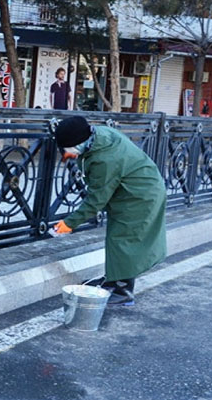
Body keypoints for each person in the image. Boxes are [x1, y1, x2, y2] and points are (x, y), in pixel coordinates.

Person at [50, 116, 167, 306]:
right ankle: (112, 279)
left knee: (124, 239)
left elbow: (97, 199)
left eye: (68, 149)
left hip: (140, 195)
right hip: (135, 188)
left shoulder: (105, 159)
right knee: (118, 238)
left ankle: (123, 291)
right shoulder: (99, 135)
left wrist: (69, 223)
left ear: (78, 143)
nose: (67, 154)